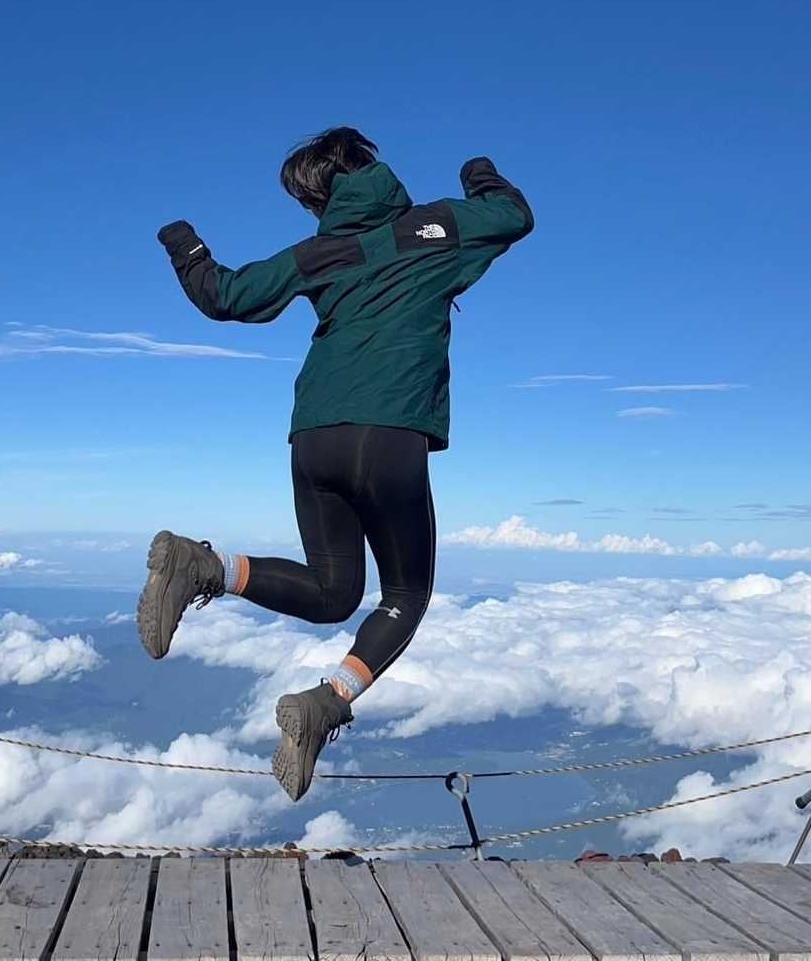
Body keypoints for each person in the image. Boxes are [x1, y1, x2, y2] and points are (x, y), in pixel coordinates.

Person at [139, 127, 533, 800]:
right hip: (391, 436)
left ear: (318, 197)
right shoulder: (439, 225)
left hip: (315, 435)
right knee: (404, 597)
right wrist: (478, 171)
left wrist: (184, 243)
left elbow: (225, 296)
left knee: (332, 593)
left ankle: (203, 566)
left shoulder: (320, 251)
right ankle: (326, 702)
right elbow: (513, 214)